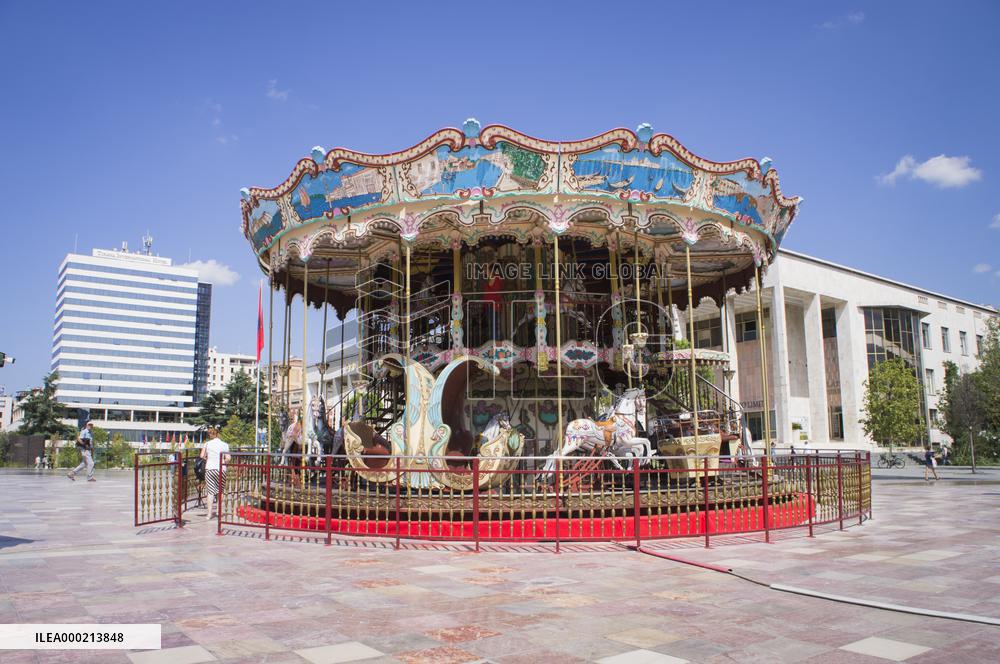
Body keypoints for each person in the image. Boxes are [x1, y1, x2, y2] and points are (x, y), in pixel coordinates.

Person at [200, 427, 230, 520]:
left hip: (209, 468)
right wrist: (224, 461)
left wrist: (208, 459)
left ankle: (209, 514)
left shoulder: (207, 444)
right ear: (218, 434)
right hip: (221, 469)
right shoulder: (225, 445)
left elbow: (202, 455)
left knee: (210, 492)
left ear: (210, 435)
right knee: (220, 491)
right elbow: (228, 458)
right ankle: (218, 511)